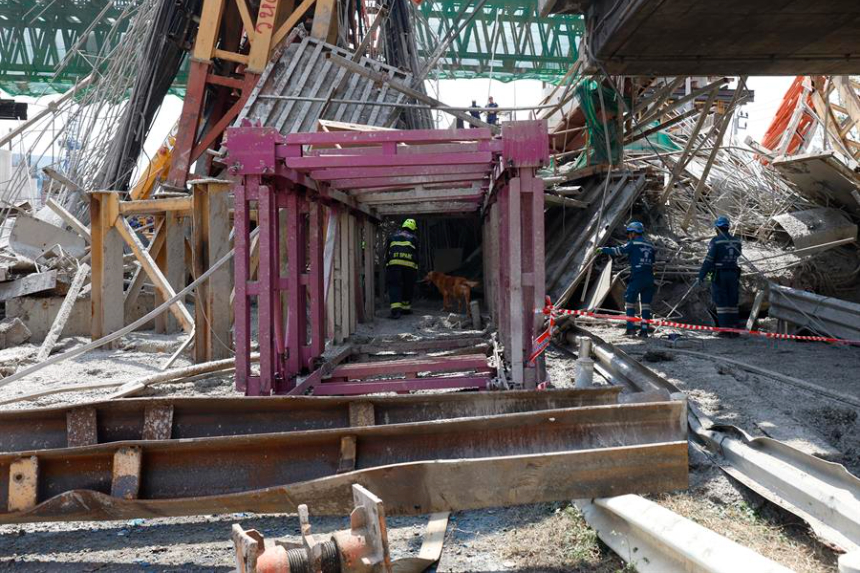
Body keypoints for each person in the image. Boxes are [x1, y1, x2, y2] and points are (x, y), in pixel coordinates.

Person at [595, 221, 655, 337]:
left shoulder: (633, 244)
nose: (628, 235)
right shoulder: (650, 245)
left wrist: (603, 249)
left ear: (633, 233)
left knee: (630, 303)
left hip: (638, 276)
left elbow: (618, 250)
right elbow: (652, 261)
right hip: (649, 278)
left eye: (629, 233)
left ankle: (630, 329)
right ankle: (644, 331)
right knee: (646, 305)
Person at [698, 215, 742, 333]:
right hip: (733, 274)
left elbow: (708, 260)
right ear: (728, 227)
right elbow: (738, 255)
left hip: (720, 275)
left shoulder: (716, 241)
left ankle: (724, 330)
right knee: (732, 301)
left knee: (721, 302)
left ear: (717, 228)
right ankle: (734, 329)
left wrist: (701, 275)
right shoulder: (736, 241)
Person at [386, 219, 419, 319]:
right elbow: (416, 254)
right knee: (408, 286)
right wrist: (416, 266)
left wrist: (388, 263)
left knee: (395, 286)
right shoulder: (414, 238)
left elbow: (388, 252)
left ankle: (396, 312)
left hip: (394, 264)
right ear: (413, 229)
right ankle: (406, 309)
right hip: (409, 266)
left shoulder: (392, 236)